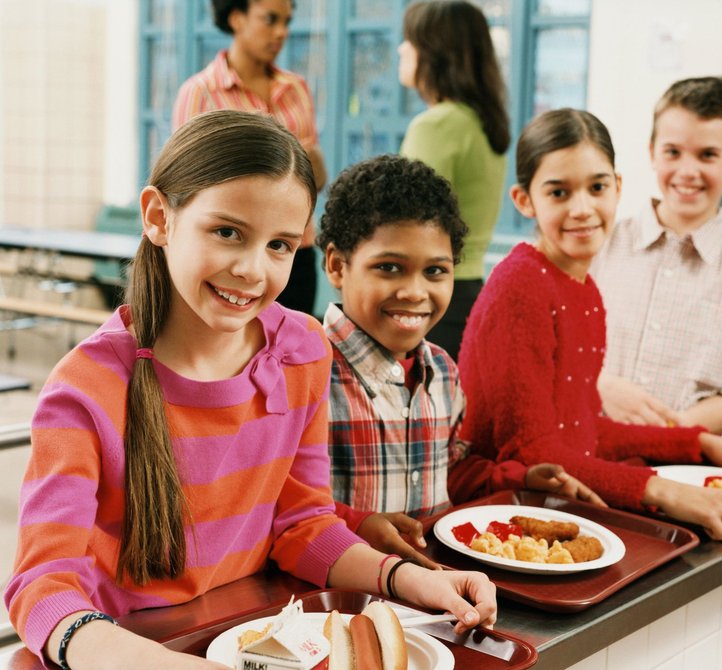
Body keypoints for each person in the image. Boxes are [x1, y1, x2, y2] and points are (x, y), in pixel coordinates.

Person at [3, 111, 496, 670]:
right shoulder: (85, 387)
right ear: (159, 217)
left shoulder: (302, 349)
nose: (251, 269)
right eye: (228, 232)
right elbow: (41, 590)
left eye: (280, 245)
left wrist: (413, 581)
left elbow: (301, 525)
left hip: (252, 641)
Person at [458, 108, 722, 541]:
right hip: (493, 522)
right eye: (559, 193)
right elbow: (533, 452)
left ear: (618, 187)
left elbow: (584, 431)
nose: (583, 208)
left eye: (597, 187)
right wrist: (663, 489)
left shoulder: (584, 287)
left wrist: (699, 443)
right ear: (524, 200)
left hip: (549, 512)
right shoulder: (520, 283)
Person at [317, 154, 604, 568]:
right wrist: (357, 523)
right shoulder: (308, 372)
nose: (415, 291)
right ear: (337, 266)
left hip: (438, 588)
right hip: (341, 594)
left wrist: (518, 477)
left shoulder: (443, 371)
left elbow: (449, 466)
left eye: (435, 271)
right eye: (390, 268)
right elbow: (282, 501)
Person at [591, 77, 722, 433]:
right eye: (673, 152)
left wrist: (669, 435)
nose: (688, 172)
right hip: (588, 451)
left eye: (707, 155)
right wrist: (599, 385)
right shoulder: (601, 242)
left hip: (685, 464)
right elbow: (555, 347)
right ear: (652, 152)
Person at [172, 0, 325, 316]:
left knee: (288, 355)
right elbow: (184, 184)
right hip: (231, 253)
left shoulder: (297, 89)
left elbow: (313, 176)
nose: (281, 32)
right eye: (270, 20)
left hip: (294, 251)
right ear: (237, 18)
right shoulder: (201, 91)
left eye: (286, 21)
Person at [397, 0, 509, 360]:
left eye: (410, 40)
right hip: (470, 293)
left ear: (433, 53)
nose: (402, 48)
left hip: (430, 297)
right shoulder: (481, 122)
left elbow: (405, 222)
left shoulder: (437, 124)